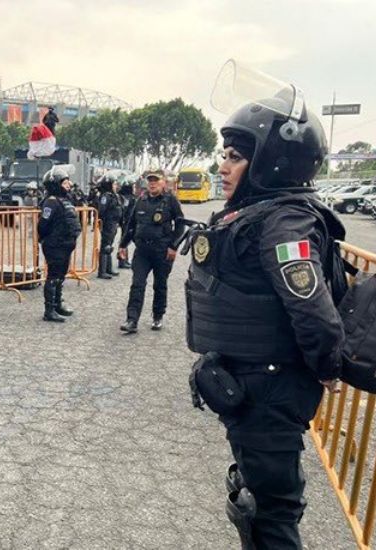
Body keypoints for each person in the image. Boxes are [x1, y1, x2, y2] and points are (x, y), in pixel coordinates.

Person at [185, 89, 345, 548]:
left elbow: (311, 306)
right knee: (257, 503)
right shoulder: (257, 215)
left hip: (271, 392)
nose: (223, 166)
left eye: (235, 157)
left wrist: (328, 364)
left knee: (270, 516)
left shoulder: (285, 221)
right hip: (254, 390)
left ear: (273, 161)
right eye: (225, 155)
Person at [118, 169, 184, 333]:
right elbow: (131, 225)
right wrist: (122, 244)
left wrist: (173, 246)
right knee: (137, 284)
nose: (152, 183)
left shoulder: (170, 201)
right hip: (142, 251)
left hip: (162, 250)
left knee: (160, 285)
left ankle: (157, 316)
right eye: (150, 181)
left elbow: (180, 225)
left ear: (163, 183)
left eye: (156, 180)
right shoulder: (141, 200)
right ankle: (132, 320)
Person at [37, 167, 82, 322]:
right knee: (53, 276)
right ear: (55, 183)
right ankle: (49, 310)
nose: (68, 184)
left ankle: (57, 304)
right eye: (64, 181)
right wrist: (47, 239)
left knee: (61, 276)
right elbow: (43, 225)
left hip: (65, 244)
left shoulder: (65, 200)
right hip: (55, 245)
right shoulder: (51, 202)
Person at [96, 173, 122, 279]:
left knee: (109, 245)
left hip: (113, 223)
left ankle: (108, 269)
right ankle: (102, 271)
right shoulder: (106, 196)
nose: (115, 186)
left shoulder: (113, 195)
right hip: (108, 223)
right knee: (105, 246)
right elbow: (102, 210)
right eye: (114, 184)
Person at [117, 179, 136, 269]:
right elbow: (127, 210)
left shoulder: (124, 196)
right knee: (124, 240)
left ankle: (124, 259)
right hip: (127, 221)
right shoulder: (128, 198)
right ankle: (122, 260)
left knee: (125, 240)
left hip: (126, 221)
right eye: (133, 186)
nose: (134, 188)